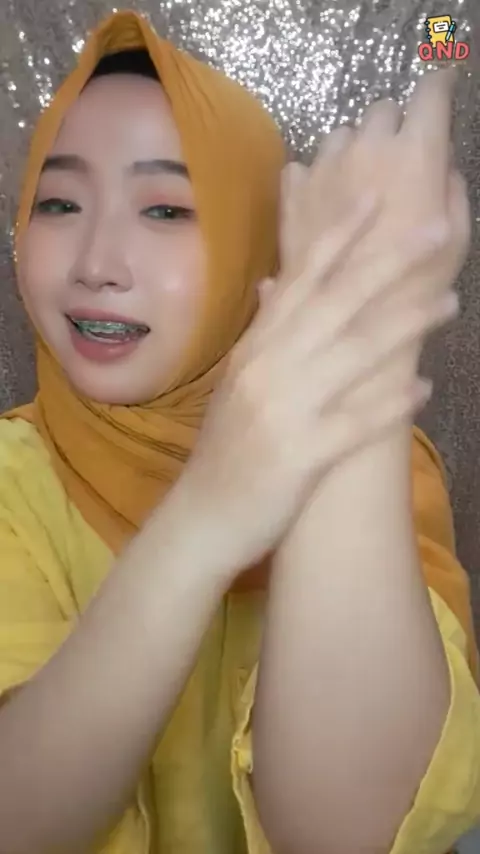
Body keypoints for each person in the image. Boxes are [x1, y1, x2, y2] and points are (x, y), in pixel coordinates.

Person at [0, 8, 478, 854]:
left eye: (165, 210)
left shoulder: (382, 467)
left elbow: (347, 835)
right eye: (61, 201)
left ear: (254, 238)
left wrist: (363, 341)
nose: (96, 264)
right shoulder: (12, 479)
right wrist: (210, 513)